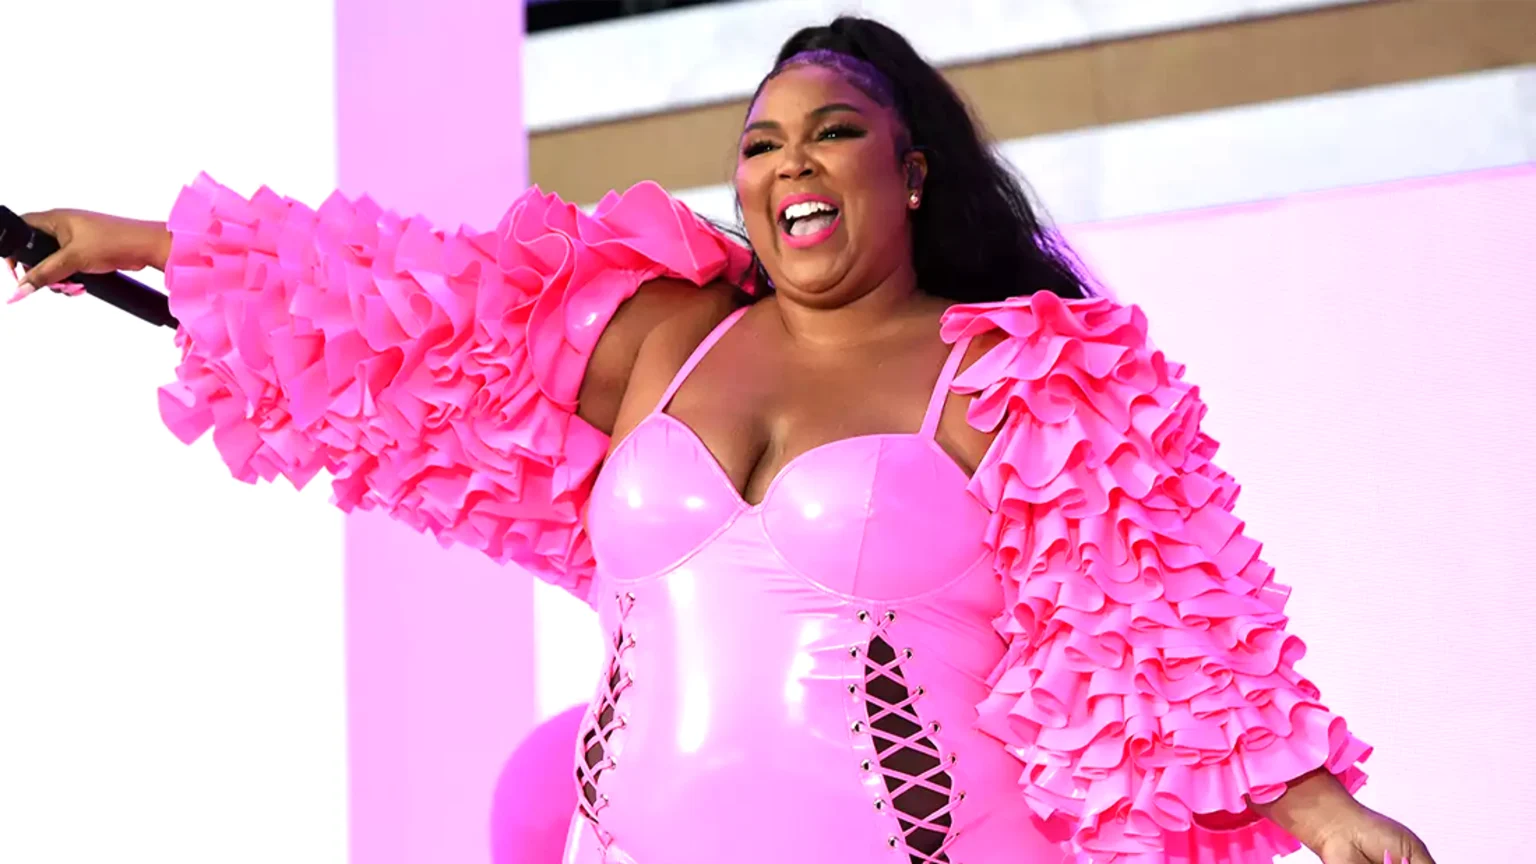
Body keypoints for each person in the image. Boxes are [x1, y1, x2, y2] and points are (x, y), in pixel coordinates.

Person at [5, 16, 1432, 864]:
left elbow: (1150, 618)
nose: (789, 160)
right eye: (760, 142)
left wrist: (1320, 808)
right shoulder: (662, 333)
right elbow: (404, 306)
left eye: (833, 132)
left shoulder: (1016, 374)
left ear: (911, 170)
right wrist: (137, 241)